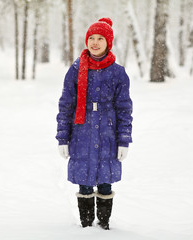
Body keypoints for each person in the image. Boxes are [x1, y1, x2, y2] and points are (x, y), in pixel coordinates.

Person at [56, 17, 133, 230]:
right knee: (85, 178)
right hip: (82, 132)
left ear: (108, 42)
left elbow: (124, 109)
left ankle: (104, 225)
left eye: (100, 38)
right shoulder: (76, 68)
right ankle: (86, 226)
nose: (95, 42)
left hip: (108, 133)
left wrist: (123, 141)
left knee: (105, 181)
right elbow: (66, 105)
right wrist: (63, 137)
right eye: (91, 38)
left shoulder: (118, 72)